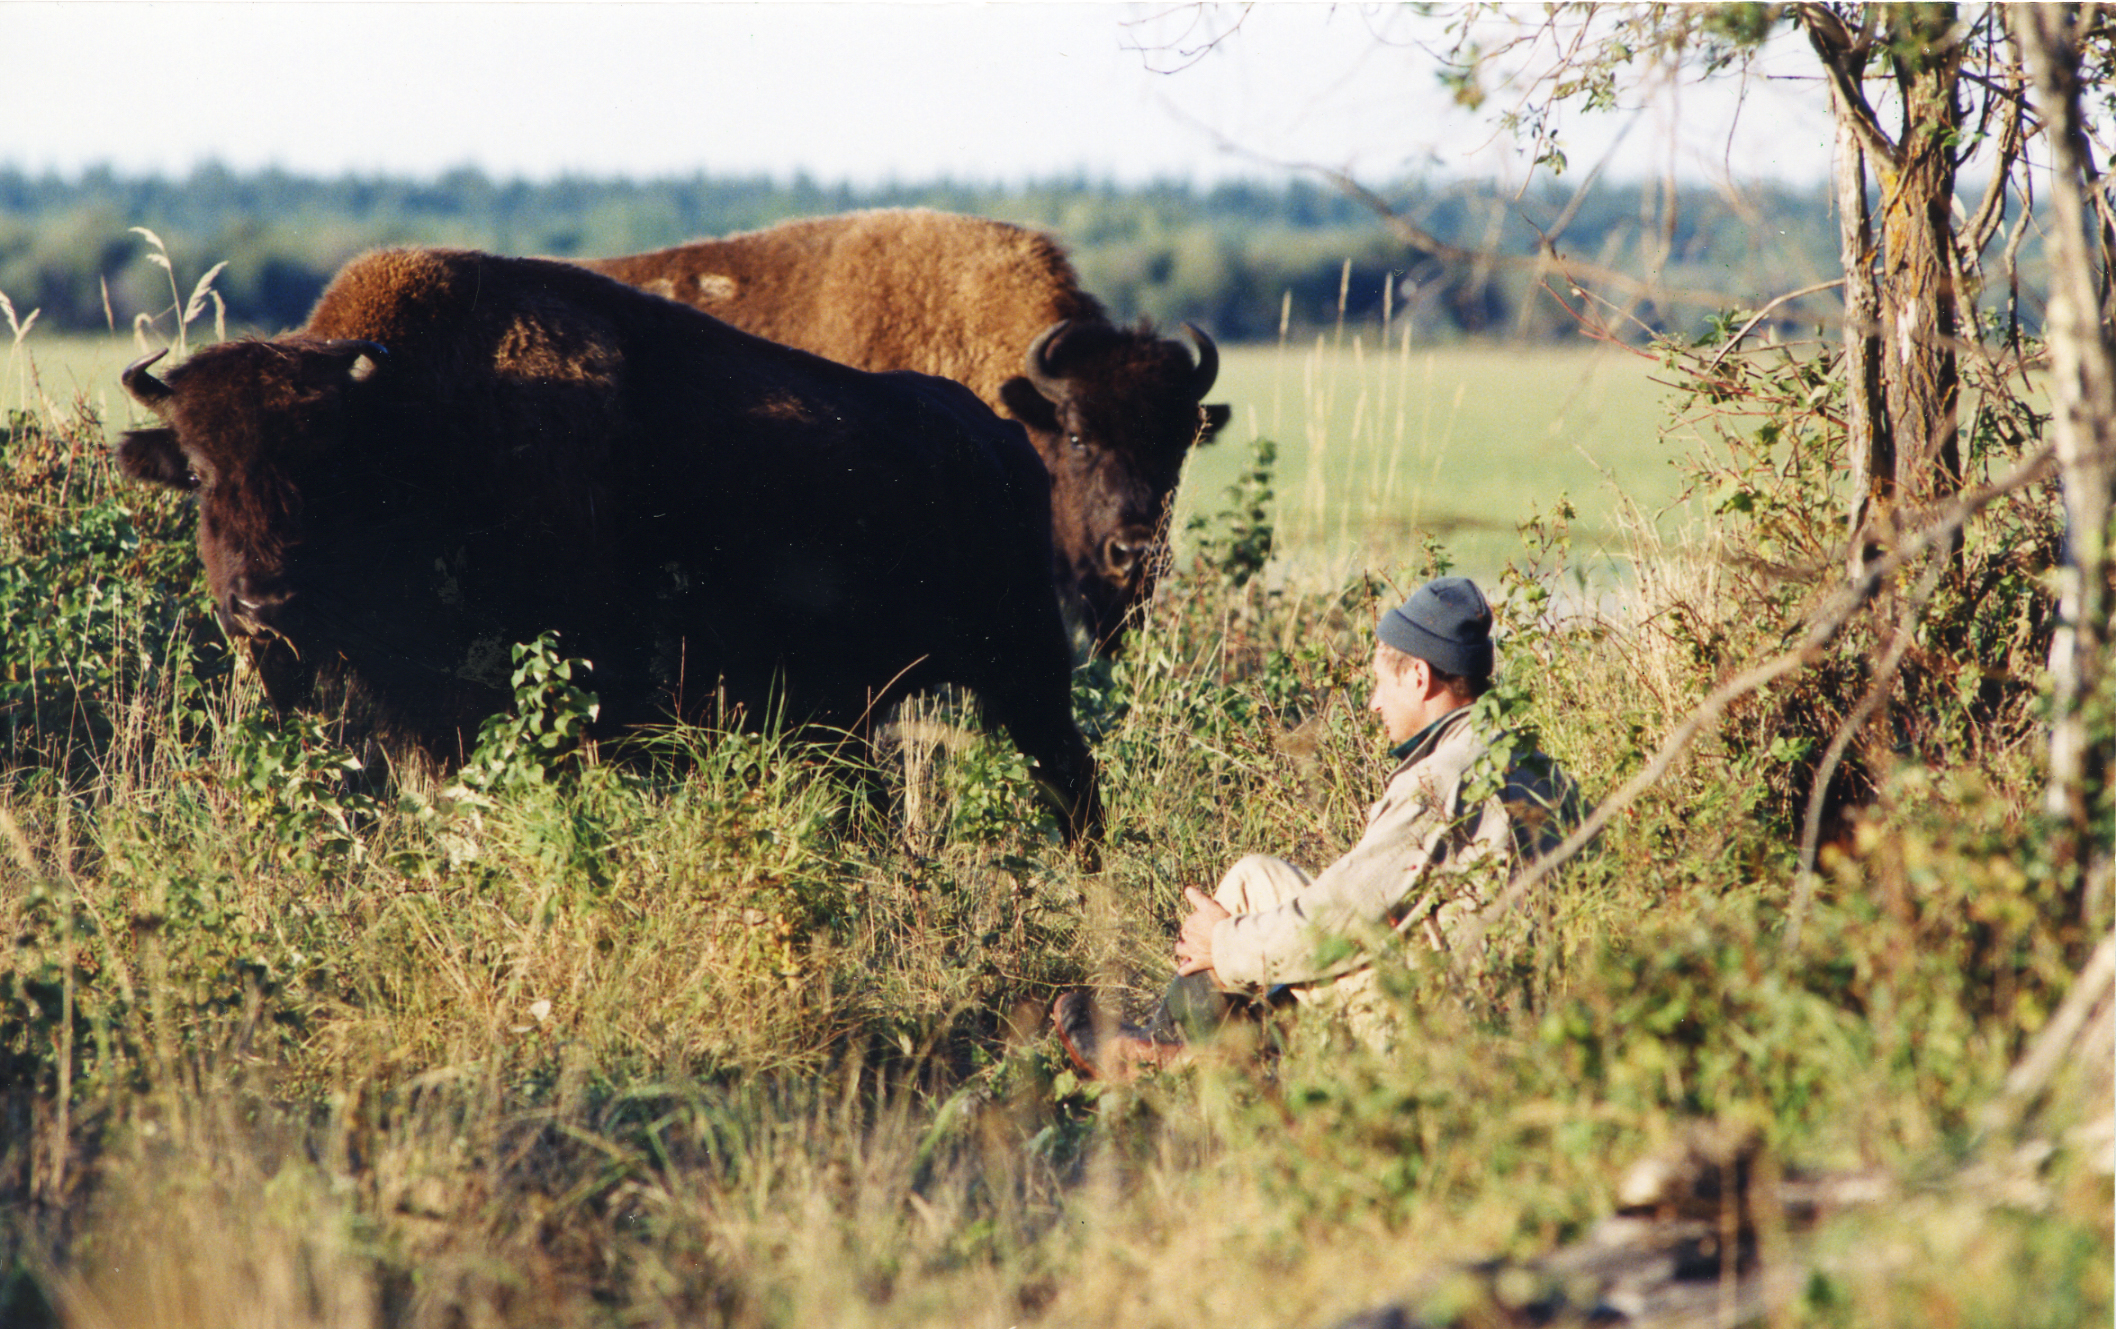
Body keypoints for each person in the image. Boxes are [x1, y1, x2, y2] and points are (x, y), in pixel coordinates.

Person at [1053, 576, 1578, 1079]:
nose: (1373, 703)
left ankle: (1160, 1064)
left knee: (1240, 907)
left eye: (1380, 682)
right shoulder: (1539, 765)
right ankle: (1195, 1054)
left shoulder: (1439, 779)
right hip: (1517, 1008)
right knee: (1258, 877)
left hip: (1431, 1022)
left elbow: (1339, 919)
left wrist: (1224, 944)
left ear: (1418, 677)